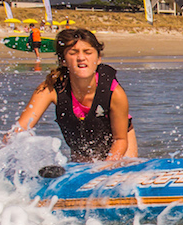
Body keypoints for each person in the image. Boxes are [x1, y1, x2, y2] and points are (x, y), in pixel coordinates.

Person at [12, 28, 138, 162]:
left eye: (88, 52)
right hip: (82, 150)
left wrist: (105, 168)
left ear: (98, 58)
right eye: (73, 53)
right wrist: (8, 143)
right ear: (63, 61)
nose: (81, 58)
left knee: (120, 171)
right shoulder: (50, 89)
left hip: (120, 144)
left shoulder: (114, 92)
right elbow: (21, 128)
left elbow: (120, 140)